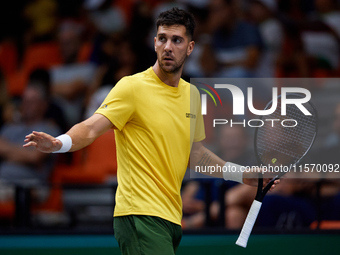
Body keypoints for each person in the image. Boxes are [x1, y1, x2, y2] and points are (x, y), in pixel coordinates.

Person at [24, 8, 278, 255]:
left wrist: (242, 175)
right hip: (139, 215)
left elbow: (196, 155)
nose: (168, 46)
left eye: (177, 40)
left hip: (169, 217)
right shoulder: (131, 87)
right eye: (163, 39)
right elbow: (91, 128)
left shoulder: (192, 95)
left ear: (190, 48)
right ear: (155, 42)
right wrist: (60, 143)